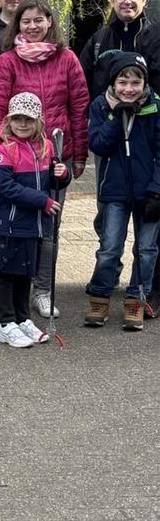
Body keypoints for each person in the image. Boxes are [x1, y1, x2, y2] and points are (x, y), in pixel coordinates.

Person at [0, 0, 88, 318]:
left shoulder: (67, 59)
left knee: (48, 231)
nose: (32, 27)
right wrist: (2, 152)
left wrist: (79, 154)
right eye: (26, 21)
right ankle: (16, 291)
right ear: (17, 25)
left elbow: (79, 107)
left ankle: (42, 290)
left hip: (53, 157)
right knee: (15, 227)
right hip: (16, 160)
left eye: (38, 21)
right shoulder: (7, 62)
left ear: (50, 23)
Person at [0, 93, 70, 348]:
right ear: (9, 121)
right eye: (17, 119)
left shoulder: (46, 147)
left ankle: (23, 319)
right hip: (11, 225)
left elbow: (53, 183)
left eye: (28, 120)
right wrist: (40, 201)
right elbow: (4, 186)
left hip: (35, 225)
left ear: (38, 122)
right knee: (7, 274)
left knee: (25, 274)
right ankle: (6, 323)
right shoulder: (4, 150)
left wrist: (62, 174)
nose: (23, 124)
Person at [84, 52, 160, 331]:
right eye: (123, 82)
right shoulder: (101, 106)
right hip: (114, 192)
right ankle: (100, 298)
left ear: (144, 83)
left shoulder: (155, 107)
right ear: (113, 82)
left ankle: (135, 301)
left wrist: (157, 191)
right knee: (109, 249)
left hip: (149, 193)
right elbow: (99, 145)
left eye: (135, 82)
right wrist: (116, 115)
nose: (129, 88)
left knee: (147, 250)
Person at [79, 0, 156, 97]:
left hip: (150, 114)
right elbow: (80, 84)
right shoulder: (98, 40)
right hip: (104, 114)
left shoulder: (156, 38)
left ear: (144, 0)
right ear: (112, 1)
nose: (127, 1)